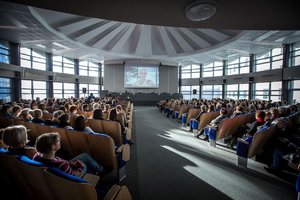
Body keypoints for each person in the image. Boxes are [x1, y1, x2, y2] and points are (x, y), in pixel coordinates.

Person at [33, 132, 103, 177]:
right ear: (53, 146)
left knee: (85, 155)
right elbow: (74, 176)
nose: (60, 142)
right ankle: (97, 174)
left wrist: (71, 164)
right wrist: (80, 167)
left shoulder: (36, 156)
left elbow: (57, 161)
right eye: (58, 141)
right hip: (72, 178)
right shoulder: (63, 164)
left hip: (62, 168)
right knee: (85, 164)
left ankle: (97, 172)